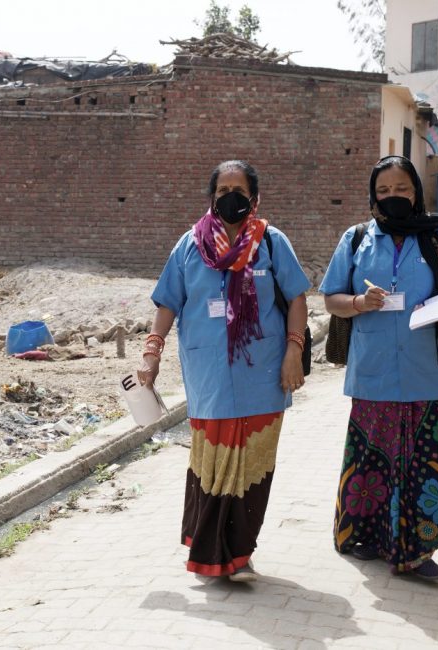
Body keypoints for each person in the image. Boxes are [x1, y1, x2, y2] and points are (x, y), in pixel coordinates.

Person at [137, 160, 310, 582]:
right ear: (211, 197)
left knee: (253, 465)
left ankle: (240, 554)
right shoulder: (189, 246)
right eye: (222, 189)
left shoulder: (271, 242)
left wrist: (294, 350)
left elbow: (298, 298)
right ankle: (212, 553)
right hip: (209, 373)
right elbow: (167, 304)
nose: (230, 196)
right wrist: (152, 352)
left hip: (263, 374)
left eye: (239, 189)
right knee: (212, 462)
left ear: (254, 198)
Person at [319, 155, 438, 580]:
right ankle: (364, 538)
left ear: (417, 191)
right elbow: (331, 297)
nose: (393, 198)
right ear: (373, 196)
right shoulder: (356, 239)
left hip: (429, 371)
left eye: (401, 190)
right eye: (383, 191)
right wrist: (357, 303)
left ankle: (416, 553)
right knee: (371, 462)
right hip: (373, 372)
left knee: (424, 466)